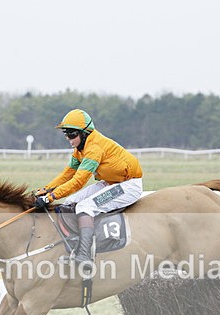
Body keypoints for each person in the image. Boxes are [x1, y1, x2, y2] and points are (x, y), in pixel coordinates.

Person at [33, 109, 143, 267]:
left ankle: (84, 254)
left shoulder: (94, 149)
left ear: (84, 133)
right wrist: (45, 190)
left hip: (129, 185)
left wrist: (50, 198)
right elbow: (68, 173)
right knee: (70, 201)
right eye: (66, 133)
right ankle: (73, 242)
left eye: (71, 134)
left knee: (85, 206)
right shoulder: (80, 148)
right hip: (111, 182)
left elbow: (78, 181)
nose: (67, 138)